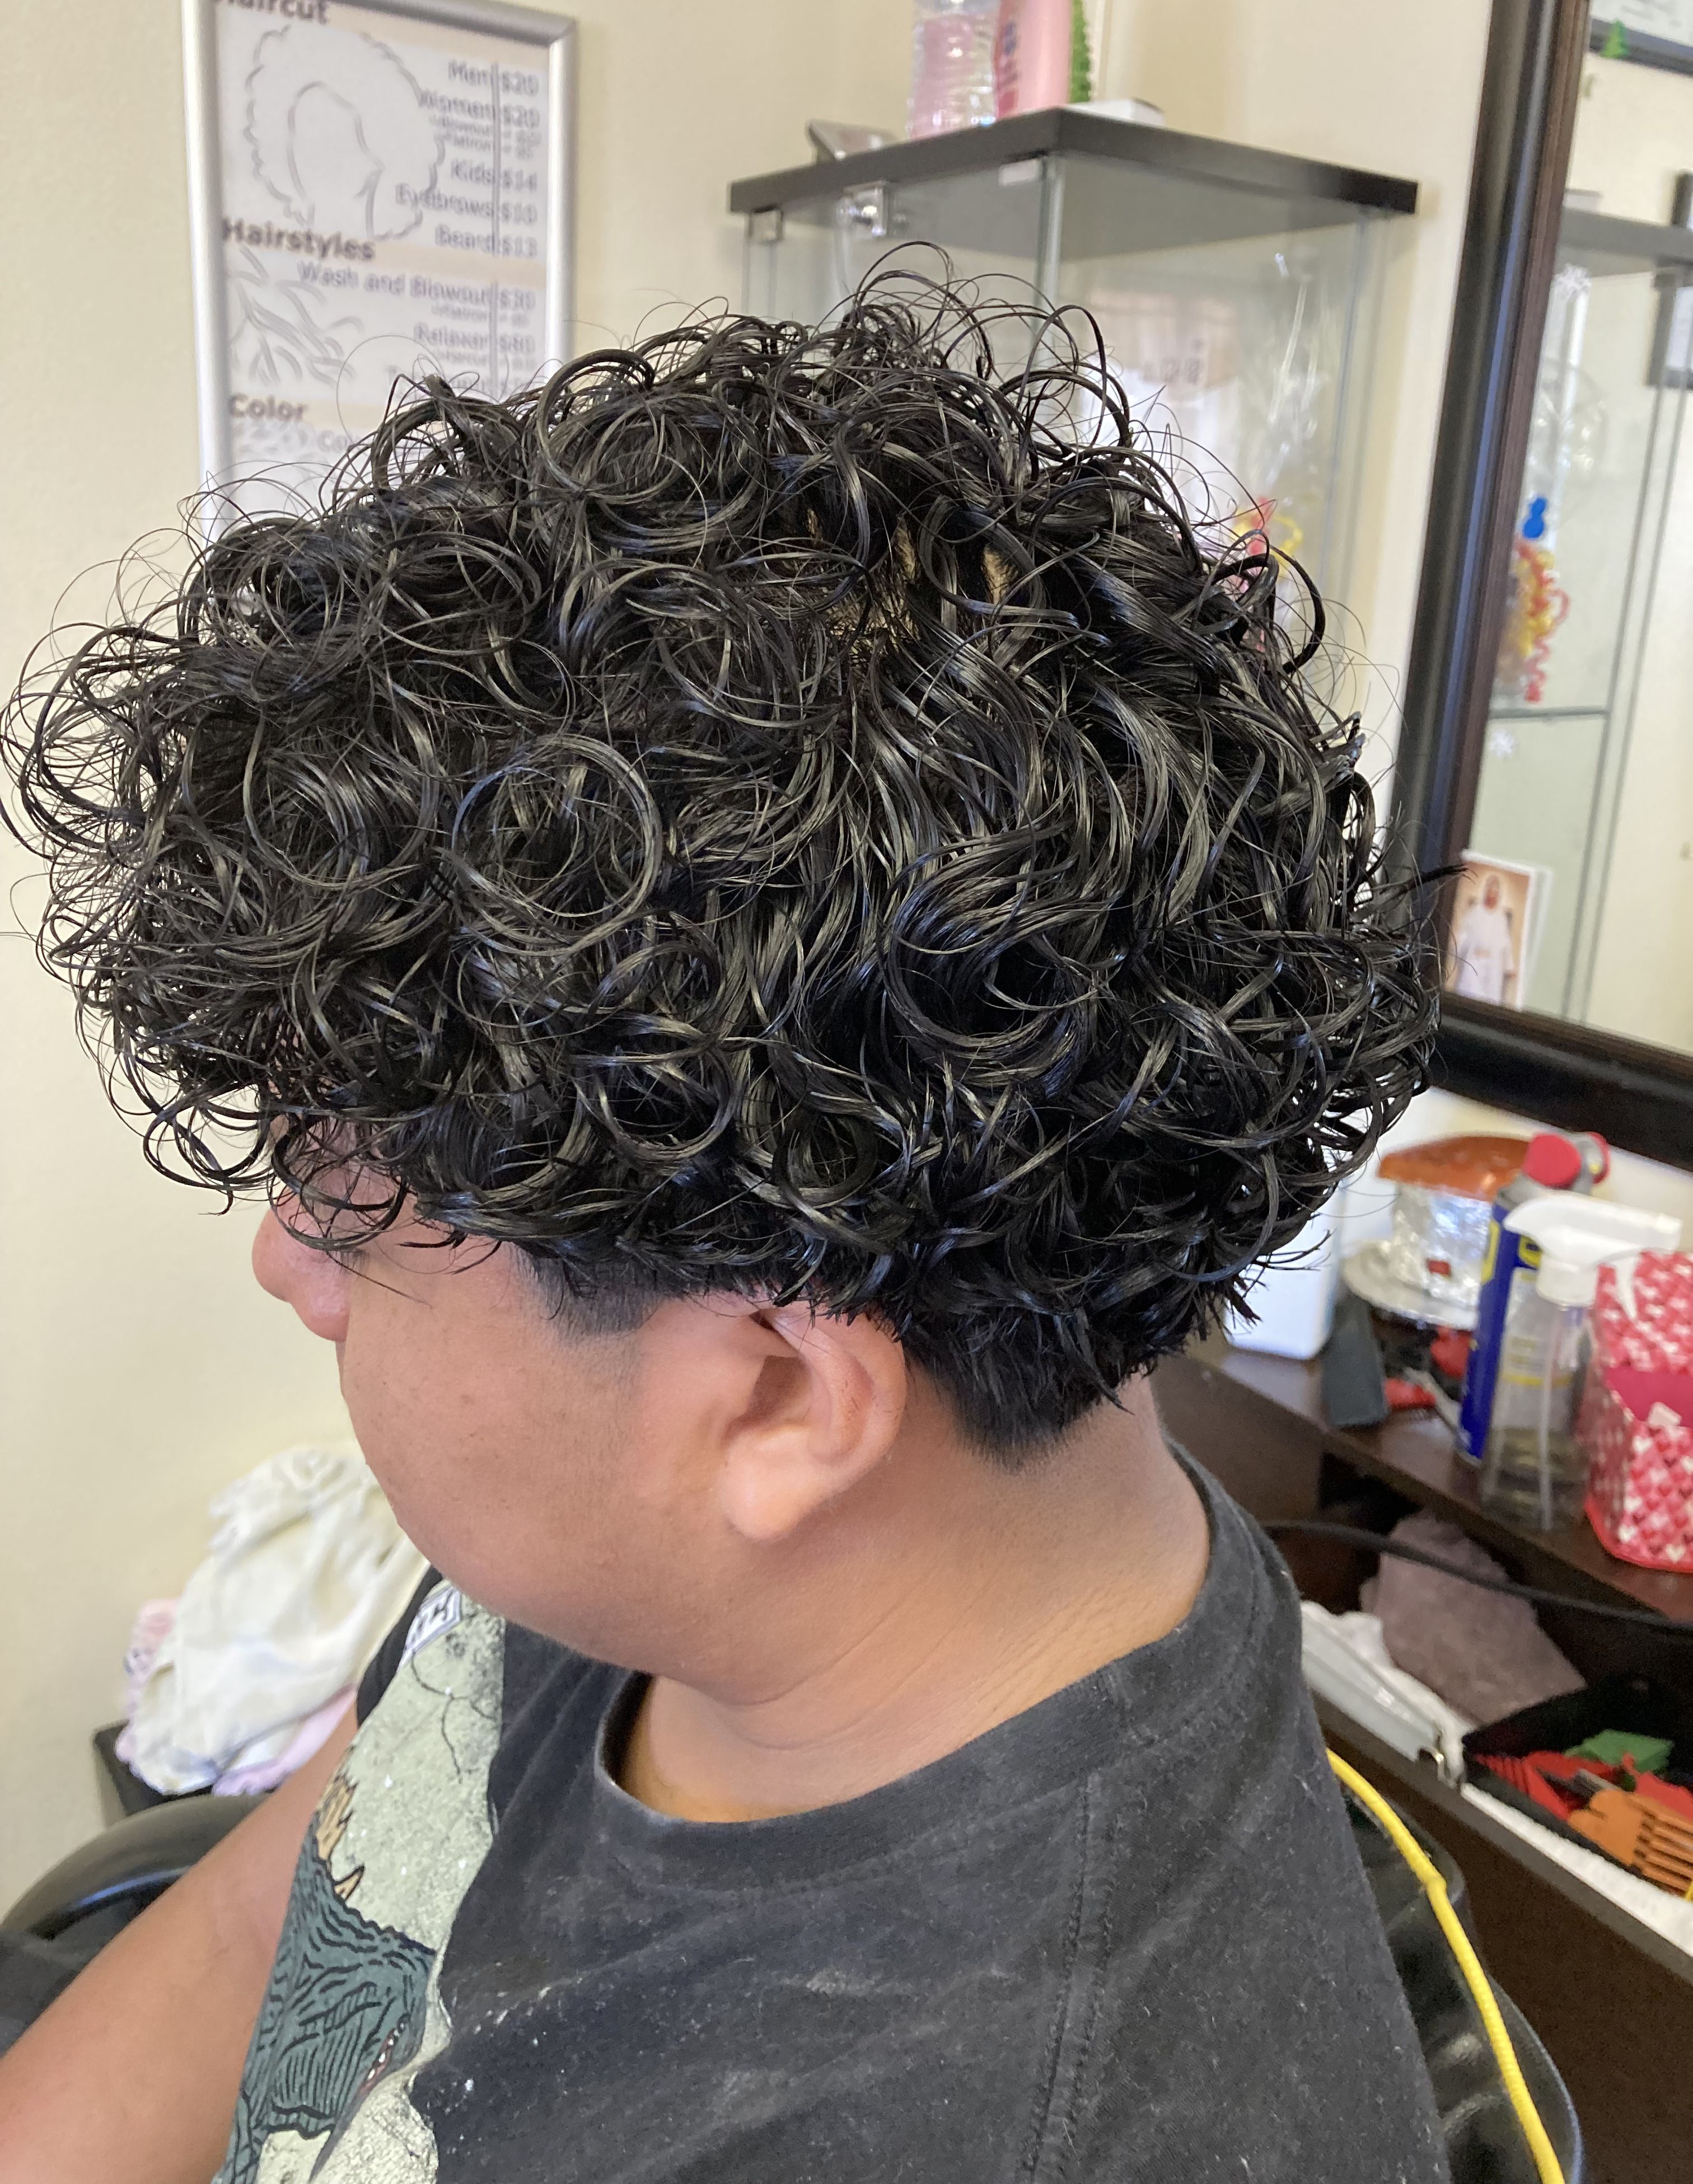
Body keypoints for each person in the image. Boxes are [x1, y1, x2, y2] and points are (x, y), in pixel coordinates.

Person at [0, 282, 1443, 2182]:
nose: (289, 1263)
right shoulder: (677, 1507)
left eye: (353, 1203)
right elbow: (292, 1921)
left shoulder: (1036, 2116)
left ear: (773, 1399)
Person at [1449, 873, 1518, 1005]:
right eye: (1490, 891)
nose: (1492, 895)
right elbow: (1464, 932)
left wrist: (1510, 966)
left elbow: (1505, 944)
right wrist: (1457, 943)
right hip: (1474, 960)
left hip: (1492, 965)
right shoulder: (1475, 912)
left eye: (1495, 892)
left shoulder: (1501, 918)